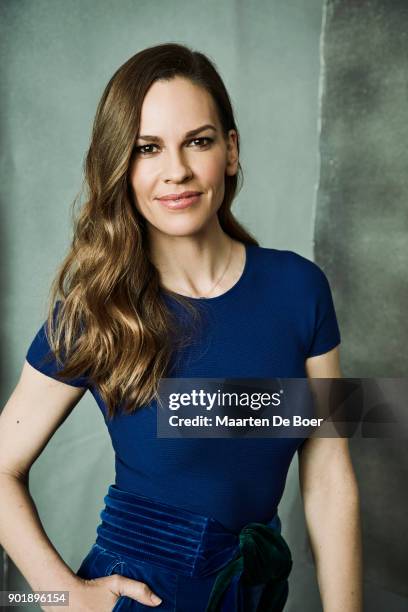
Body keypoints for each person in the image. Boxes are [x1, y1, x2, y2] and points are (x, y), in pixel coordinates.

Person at [0, 43, 363, 611]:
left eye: (198, 141)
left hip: (256, 592)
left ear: (232, 150)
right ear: (121, 165)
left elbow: (329, 473)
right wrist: (62, 595)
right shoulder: (96, 311)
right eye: (148, 149)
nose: (177, 171)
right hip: (140, 597)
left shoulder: (300, 288)